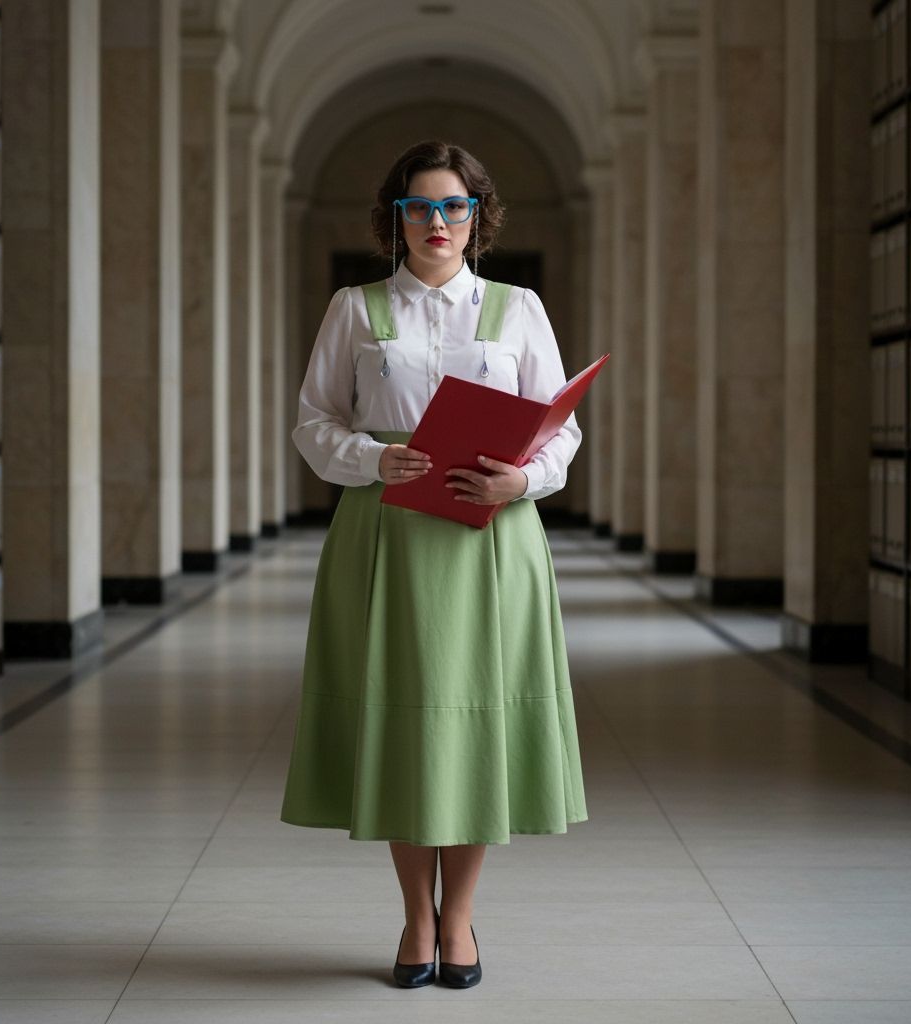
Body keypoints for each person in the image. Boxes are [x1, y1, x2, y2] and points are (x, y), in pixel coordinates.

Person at [280, 139, 587, 989]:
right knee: (405, 723)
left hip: (492, 538)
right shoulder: (356, 308)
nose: (439, 223)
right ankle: (416, 917)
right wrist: (372, 461)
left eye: (455, 207)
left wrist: (523, 477)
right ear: (396, 219)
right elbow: (313, 423)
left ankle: (461, 921)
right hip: (387, 533)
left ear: (478, 218)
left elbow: (561, 426)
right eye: (421, 207)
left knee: (473, 722)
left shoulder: (518, 308)